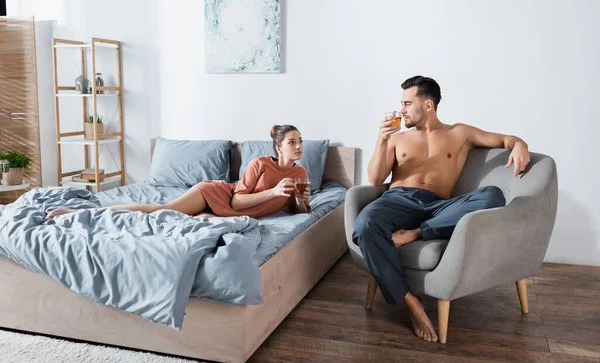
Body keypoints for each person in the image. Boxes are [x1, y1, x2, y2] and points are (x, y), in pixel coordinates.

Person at [353, 75, 531, 343]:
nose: (401, 109)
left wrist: (520, 145)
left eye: (406, 103)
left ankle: (415, 234)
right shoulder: (397, 138)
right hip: (397, 200)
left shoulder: (460, 133)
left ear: (427, 105)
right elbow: (376, 180)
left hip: (439, 206)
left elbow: (506, 139)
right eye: (401, 103)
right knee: (365, 225)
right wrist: (381, 139)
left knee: (492, 195)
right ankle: (410, 301)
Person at [45, 125, 311, 220]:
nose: (298, 146)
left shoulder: (301, 174)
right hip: (216, 196)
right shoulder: (260, 164)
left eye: (300, 141)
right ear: (278, 147)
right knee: (163, 210)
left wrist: (300, 201)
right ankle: (81, 212)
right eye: (292, 142)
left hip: (229, 214)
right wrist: (274, 191)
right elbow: (236, 201)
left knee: (192, 219)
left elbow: (300, 212)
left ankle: (204, 218)